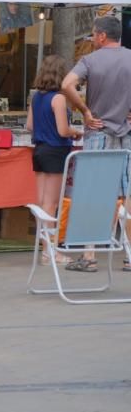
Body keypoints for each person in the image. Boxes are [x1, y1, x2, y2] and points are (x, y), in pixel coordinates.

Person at [60, 15, 131, 273]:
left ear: (102, 36)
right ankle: (130, 255)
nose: (92, 39)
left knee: (93, 192)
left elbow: (67, 84)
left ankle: (89, 254)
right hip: (127, 132)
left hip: (98, 131)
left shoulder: (90, 60)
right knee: (128, 193)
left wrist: (84, 110)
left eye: (93, 35)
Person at [27, 55, 82, 264]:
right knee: (51, 204)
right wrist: (75, 131)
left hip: (39, 151)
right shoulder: (58, 99)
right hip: (55, 152)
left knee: (41, 203)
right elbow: (62, 130)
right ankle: (52, 251)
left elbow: (30, 126)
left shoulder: (36, 98)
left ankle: (44, 249)